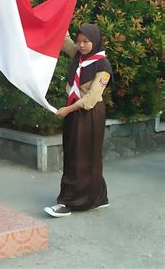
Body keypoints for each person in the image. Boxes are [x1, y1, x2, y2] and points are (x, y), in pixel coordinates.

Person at [44, 23, 113, 218]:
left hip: (88, 113)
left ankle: (69, 201)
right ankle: (98, 196)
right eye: (79, 41)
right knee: (79, 154)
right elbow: (63, 40)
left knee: (81, 156)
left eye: (86, 41)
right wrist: (61, 17)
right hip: (75, 111)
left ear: (96, 41)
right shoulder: (78, 55)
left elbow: (91, 99)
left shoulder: (102, 65)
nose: (81, 45)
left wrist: (67, 110)